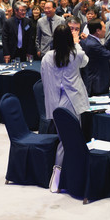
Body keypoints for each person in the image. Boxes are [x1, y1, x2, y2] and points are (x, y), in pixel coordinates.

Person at [41, 24, 90, 192]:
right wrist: (76, 43)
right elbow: (85, 62)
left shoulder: (47, 57)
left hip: (56, 102)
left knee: (64, 139)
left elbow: (45, 79)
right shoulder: (76, 54)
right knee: (71, 141)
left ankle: (60, 175)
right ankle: (62, 175)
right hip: (72, 101)